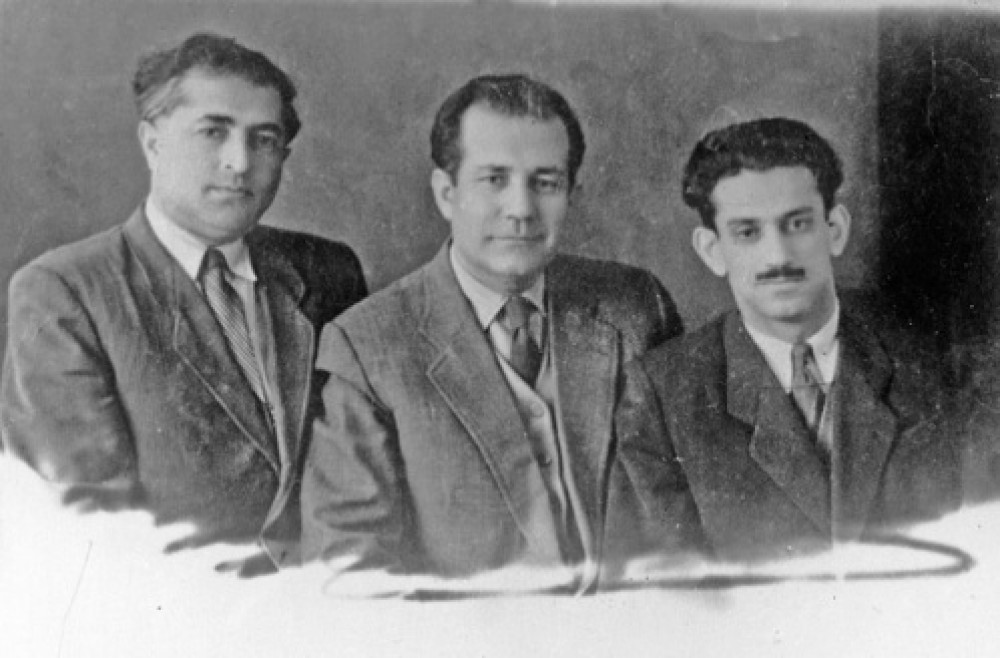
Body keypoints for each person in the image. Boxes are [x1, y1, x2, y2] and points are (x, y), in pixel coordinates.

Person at [1, 33, 367, 574]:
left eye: (264, 139)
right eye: (213, 131)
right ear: (153, 143)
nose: (239, 162)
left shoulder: (327, 271)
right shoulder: (66, 292)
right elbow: (90, 532)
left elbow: (369, 472)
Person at [300, 74, 682, 585]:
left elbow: (693, 512)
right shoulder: (367, 347)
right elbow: (348, 567)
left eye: (545, 182)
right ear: (446, 193)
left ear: (572, 194)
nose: (521, 209)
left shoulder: (637, 308)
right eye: (494, 179)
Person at [604, 117, 961, 566]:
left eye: (797, 224)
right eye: (747, 232)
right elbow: (671, 592)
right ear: (712, 250)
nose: (778, 256)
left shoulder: (935, 371)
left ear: (835, 229)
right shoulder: (662, 397)